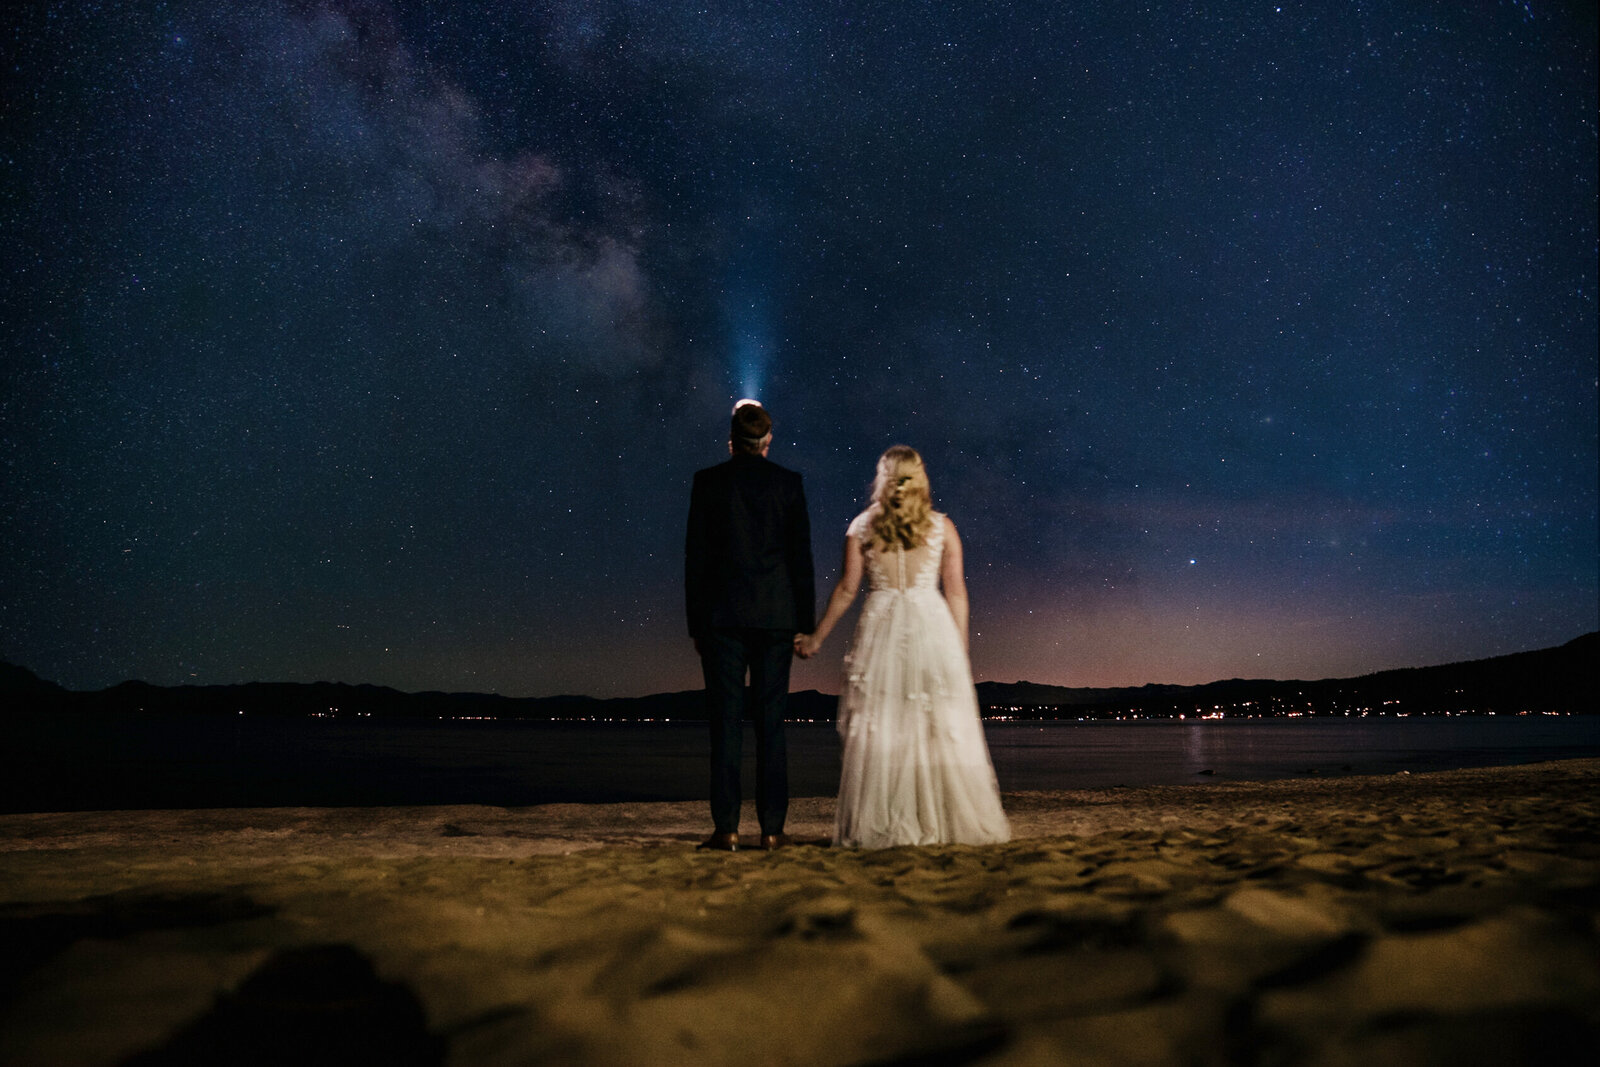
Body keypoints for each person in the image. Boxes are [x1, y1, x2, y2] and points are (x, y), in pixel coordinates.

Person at [795, 446, 1010, 848]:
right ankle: (940, 820)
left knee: (886, 726)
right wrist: (959, 649)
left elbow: (846, 589)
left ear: (883, 478)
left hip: (882, 627)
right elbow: (957, 592)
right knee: (935, 726)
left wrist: (816, 637)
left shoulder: (861, 526)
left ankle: (889, 818)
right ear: (921, 478)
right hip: (931, 627)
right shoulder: (942, 527)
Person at [685, 400, 816, 852]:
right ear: (767, 441)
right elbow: (801, 559)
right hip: (777, 618)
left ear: (731, 440)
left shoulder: (708, 483)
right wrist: (805, 622)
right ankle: (773, 830)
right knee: (771, 725)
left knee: (725, 724)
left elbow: (696, 558)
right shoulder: (789, 484)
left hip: (723, 618)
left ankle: (726, 829)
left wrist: (697, 624)